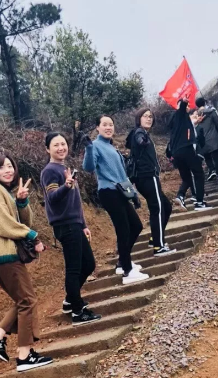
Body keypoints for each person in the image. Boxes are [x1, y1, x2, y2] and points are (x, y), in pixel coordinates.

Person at [0, 152, 53, 372]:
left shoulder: (5, 193)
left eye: (10, 166)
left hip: (0, 255)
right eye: (2, 167)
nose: (8, 170)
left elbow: (23, 222)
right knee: (28, 301)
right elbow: (3, 224)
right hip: (4, 253)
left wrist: (21, 202)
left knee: (23, 300)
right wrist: (33, 236)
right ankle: (24, 356)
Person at [41, 132, 102, 325]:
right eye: (56, 145)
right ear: (47, 149)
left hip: (74, 224)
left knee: (88, 264)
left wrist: (83, 225)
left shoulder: (64, 169)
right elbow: (52, 198)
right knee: (74, 268)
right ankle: (77, 312)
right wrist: (66, 186)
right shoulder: (50, 171)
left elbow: (75, 202)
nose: (61, 148)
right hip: (65, 225)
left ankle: (70, 300)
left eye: (63, 144)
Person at [82, 115, 149, 285]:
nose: (108, 127)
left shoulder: (111, 147)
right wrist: (88, 148)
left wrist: (133, 194)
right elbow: (88, 167)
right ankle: (127, 271)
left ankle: (122, 262)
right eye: (104, 124)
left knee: (136, 226)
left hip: (120, 191)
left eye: (111, 124)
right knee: (123, 229)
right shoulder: (96, 145)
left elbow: (122, 175)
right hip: (108, 192)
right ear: (98, 127)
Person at [126, 107, 172, 255]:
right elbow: (140, 140)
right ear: (139, 118)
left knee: (166, 206)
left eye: (150, 116)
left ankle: (155, 237)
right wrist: (143, 140)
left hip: (145, 178)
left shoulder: (141, 133)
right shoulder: (139, 132)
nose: (148, 118)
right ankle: (159, 246)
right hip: (147, 177)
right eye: (145, 116)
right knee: (157, 208)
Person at [167, 97, 210, 211]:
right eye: (187, 105)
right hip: (187, 149)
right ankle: (200, 203)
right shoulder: (179, 113)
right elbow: (181, 109)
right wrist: (184, 102)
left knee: (186, 178)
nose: (188, 107)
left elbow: (186, 128)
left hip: (176, 153)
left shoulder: (176, 120)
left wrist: (196, 122)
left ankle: (180, 196)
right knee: (199, 174)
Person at [195, 105, 218, 185]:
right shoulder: (211, 113)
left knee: (208, 157)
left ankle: (212, 170)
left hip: (203, 142)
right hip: (214, 140)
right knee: (217, 159)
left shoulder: (197, 118)